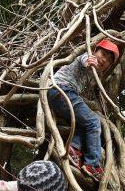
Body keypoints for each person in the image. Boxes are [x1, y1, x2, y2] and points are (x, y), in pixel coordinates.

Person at [48, 39, 120, 181]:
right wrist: (89, 61)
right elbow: (84, 59)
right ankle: (92, 164)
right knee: (94, 121)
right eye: (103, 54)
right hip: (61, 90)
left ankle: (73, 149)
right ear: (94, 50)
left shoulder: (94, 74)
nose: (104, 59)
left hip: (60, 93)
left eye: (109, 60)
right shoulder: (87, 56)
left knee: (84, 121)